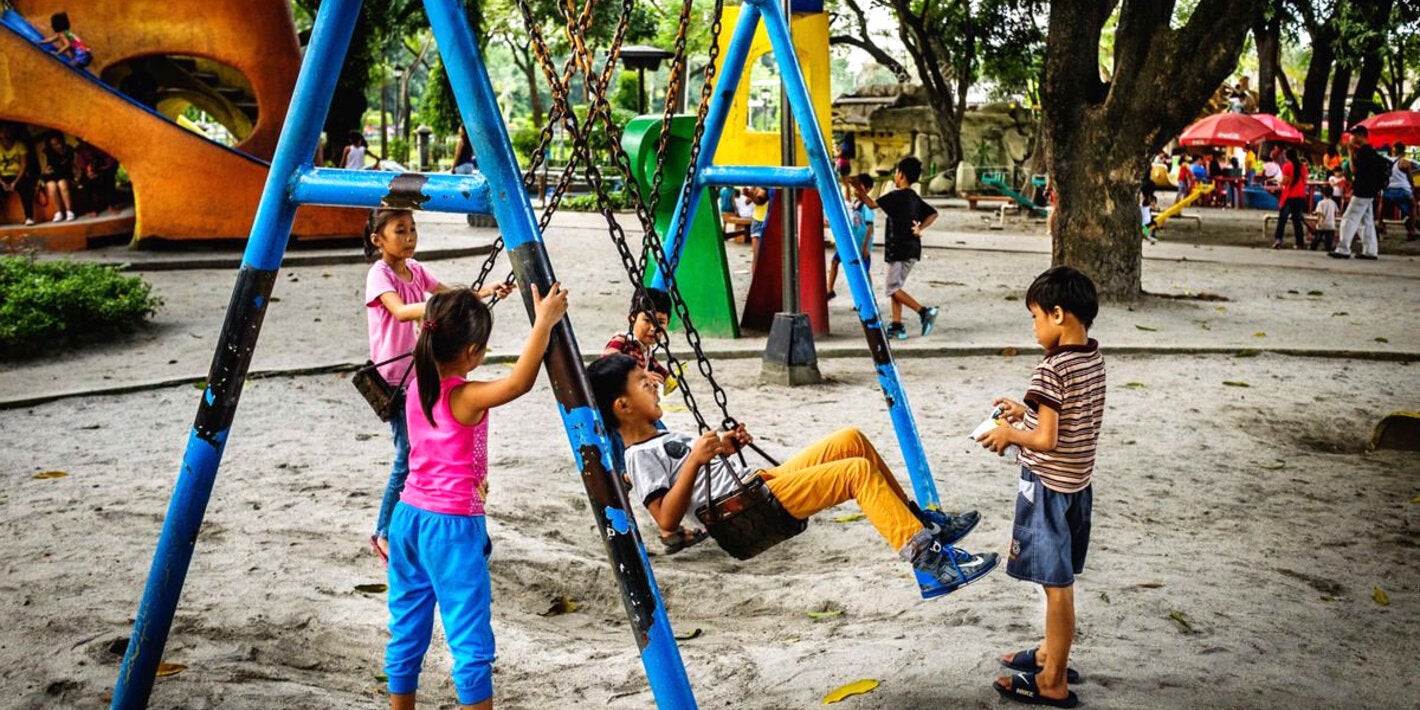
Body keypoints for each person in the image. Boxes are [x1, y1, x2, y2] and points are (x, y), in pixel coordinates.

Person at [588, 353, 996, 598]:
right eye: (643, 383)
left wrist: (725, 447)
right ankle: (929, 562)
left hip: (759, 484)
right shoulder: (637, 457)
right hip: (746, 508)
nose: (654, 384)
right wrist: (696, 458)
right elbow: (666, 518)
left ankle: (922, 524)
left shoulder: (661, 437)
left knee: (850, 440)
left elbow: (700, 472)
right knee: (855, 472)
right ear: (623, 406)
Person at [385, 283, 570, 710]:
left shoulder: (417, 389)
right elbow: (519, 382)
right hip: (451, 529)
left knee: (407, 628)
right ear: (472, 352)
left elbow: (439, 452)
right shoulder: (464, 396)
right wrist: (543, 323)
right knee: (470, 639)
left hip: (408, 517)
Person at [975, 266, 1105, 709]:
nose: (1033, 328)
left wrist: (1010, 434)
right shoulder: (1092, 357)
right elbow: (1069, 419)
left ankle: (1052, 680)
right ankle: (1051, 653)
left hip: (1047, 487)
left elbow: (1046, 439)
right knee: (1061, 577)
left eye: (1035, 317)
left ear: (1058, 314)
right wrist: (1024, 412)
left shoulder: (1050, 369)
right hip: (1077, 485)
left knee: (1055, 584)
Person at [364, 208, 509, 562]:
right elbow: (400, 311)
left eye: (413, 229)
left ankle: (438, 520)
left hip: (423, 375)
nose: (410, 237)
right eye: (400, 231)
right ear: (377, 239)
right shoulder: (379, 274)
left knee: (437, 450)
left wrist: (485, 291)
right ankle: (383, 532)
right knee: (407, 456)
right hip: (396, 380)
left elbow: (445, 294)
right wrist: (441, 307)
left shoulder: (416, 270)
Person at [853, 156, 940, 339]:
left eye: (896, 173)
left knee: (891, 288)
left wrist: (858, 189)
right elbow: (933, 214)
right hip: (912, 249)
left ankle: (924, 312)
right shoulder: (914, 197)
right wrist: (920, 228)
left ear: (901, 175)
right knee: (896, 287)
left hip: (899, 249)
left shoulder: (896, 196)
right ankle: (897, 325)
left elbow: (871, 204)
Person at [1332, 126, 1387, 260]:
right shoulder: (1372, 152)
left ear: (1361, 136)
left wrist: (1351, 152)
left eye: (1354, 135)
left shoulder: (1364, 152)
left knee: (1349, 218)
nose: (1351, 138)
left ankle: (1343, 249)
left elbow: (1354, 170)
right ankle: (1370, 251)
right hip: (1370, 191)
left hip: (1362, 191)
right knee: (1366, 221)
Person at [827, 173, 875, 300]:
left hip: (861, 245)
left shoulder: (867, 207)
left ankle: (868, 298)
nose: (856, 190)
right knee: (835, 261)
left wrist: (865, 247)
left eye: (860, 187)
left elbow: (870, 227)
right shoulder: (856, 204)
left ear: (868, 189)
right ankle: (829, 289)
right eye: (855, 187)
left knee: (863, 272)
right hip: (851, 243)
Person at [0, 123, 36, 226]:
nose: (5, 134)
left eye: (7, 131)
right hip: (2, 176)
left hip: (17, 175)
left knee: (26, 188)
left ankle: (29, 217)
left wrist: (15, 182)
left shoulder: (20, 145)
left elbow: (23, 165)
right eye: (2, 132)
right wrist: (2, 182)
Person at [1273, 147, 1309, 249]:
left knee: (1282, 219)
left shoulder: (1287, 166)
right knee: (1297, 220)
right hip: (1301, 195)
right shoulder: (1303, 167)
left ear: (1287, 156)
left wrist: (1279, 181)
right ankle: (1299, 242)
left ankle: (1278, 239)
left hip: (1289, 195)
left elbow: (1285, 181)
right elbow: (1305, 180)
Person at [1380, 142, 1416, 241]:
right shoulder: (1405, 162)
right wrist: (1412, 187)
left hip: (1388, 190)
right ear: (1403, 151)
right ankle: (1412, 231)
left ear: (1393, 150)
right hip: (1403, 189)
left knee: (1382, 204)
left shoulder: (1386, 161)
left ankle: (1380, 224)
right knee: (1413, 206)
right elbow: (1410, 178)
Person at [73, 139, 117, 215]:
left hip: (103, 170)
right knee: (84, 180)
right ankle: (90, 209)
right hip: (89, 173)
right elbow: (81, 166)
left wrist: (99, 171)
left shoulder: (101, 145)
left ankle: (111, 206)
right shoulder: (79, 150)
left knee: (109, 177)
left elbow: (110, 162)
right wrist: (88, 172)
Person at [39, 132, 75, 222]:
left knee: (62, 185)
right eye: (53, 144)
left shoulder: (69, 149)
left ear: (62, 141)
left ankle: (69, 211)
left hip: (64, 173)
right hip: (52, 174)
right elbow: (43, 168)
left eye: (57, 143)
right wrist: (45, 171)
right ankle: (58, 213)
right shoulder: (47, 152)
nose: (56, 146)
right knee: (52, 187)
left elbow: (74, 163)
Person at [1309, 185, 1339, 252]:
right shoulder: (1333, 203)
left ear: (1322, 193)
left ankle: (1313, 248)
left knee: (1317, 238)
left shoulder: (1321, 203)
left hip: (1322, 224)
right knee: (1329, 240)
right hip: (1331, 224)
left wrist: (1318, 222)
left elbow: (1319, 213)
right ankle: (1328, 249)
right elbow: (1335, 213)